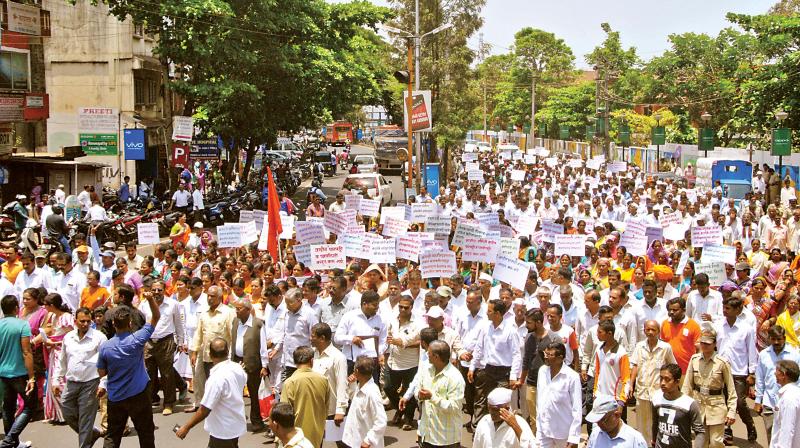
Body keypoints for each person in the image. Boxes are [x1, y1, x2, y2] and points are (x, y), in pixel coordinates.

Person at [96, 283, 161, 448]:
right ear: (130, 323)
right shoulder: (137, 340)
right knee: (145, 432)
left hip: (116, 396)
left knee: (112, 435)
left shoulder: (105, 347)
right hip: (138, 394)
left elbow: (102, 372)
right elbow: (156, 317)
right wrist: (151, 299)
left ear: (113, 325)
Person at [175, 338, 248, 448]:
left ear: (210, 355)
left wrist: (186, 428)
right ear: (228, 352)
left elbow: (204, 409)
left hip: (223, 431)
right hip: (234, 425)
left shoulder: (216, 378)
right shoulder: (237, 368)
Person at [53, 306, 107, 448]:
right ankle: (92, 433)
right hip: (71, 382)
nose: (85, 324)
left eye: (88, 321)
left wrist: (103, 384)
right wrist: (56, 380)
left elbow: (106, 363)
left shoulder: (99, 338)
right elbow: (62, 361)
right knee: (67, 411)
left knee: (85, 418)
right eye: (82, 321)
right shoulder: (68, 337)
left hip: (91, 383)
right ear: (75, 321)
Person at [681, 329, 738, 448]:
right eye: (702, 343)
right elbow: (687, 385)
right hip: (699, 405)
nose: (704, 346)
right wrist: (682, 406)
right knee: (700, 441)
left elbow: (731, 389)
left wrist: (732, 411)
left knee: (716, 442)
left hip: (716, 407)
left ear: (714, 344)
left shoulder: (722, 362)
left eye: (707, 343)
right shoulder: (694, 359)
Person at [468, 298, 522, 422]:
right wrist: (472, 367)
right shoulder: (485, 328)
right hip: (488, 370)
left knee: (501, 404)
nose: (486, 313)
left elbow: (516, 354)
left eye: (489, 311)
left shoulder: (511, 331)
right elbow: (479, 349)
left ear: (498, 313)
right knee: (486, 401)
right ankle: (484, 430)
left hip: (504, 373)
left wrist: (513, 376)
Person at [139, 278, 186, 416]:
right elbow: (141, 324)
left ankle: (169, 403)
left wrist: (181, 341)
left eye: (159, 290)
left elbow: (179, 324)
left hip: (166, 341)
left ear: (164, 290)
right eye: (154, 290)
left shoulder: (173, 304)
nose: (156, 292)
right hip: (148, 341)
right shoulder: (144, 305)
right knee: (149, 373)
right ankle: (150, 400)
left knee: (166, 374)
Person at [189, 286, 234, 413]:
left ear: (220, 297)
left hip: (221, 357)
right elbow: (198, 334)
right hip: (205, 355)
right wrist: (194, 352)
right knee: (200, 380)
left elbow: (232, 335)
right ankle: (201, 406)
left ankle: (222, 408)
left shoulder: (228, 312)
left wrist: (231, 356)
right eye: (208, 295)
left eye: (212, 296)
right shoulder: (204, 313)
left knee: (219, 383)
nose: (209, 298)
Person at [630, 320, 677, 443]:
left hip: (658, 393)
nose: (650, 332)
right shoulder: (639, 346)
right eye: (648, 329)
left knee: (658, 422)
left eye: (653, 330)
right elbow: (635, 365)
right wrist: (631, 384)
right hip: (642, 392)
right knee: (641, 424)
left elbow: (673, 367)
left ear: (658, 332)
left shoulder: (665, 348)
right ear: (644, 330)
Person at [412, 339, 465, 448]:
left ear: (436, 356)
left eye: (429, 353)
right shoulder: (426, 370)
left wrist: (432, 397)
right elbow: (417, 389)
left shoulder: (455, 378)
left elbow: (454, 407)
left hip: (446, 439)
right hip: (427, 435)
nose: (427, 355)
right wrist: (419, 395)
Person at [0, 295, 36, 448]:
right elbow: (26, 352)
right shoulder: (23, 325)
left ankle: (14, 443)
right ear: (16, 308)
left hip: (2, 373)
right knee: (30, 406)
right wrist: (32, 376)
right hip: (19, 374)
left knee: (7, 408)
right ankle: (9, 440)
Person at [754, 325, 800, 445]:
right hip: (769, 402)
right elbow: (760, 378)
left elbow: (798, 379)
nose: (776, 342)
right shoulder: (764, 355)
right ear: (769, 338)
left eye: (779, 339)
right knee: (772, 434)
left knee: (788, 431)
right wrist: (758, 400)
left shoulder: (794, 355)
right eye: (773, 339)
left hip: (789, 401)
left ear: (784, 338)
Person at [280, 346, 331, 448]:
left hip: (296, 437)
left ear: (295, 362)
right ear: (312, 361)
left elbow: (283, 413)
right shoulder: (323, 380)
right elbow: (326, 407)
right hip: (317, 433)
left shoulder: (290, 382)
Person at [229, 299, 267, 431]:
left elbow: (263, 347)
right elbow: (232, 342)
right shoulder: (235, 322)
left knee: (254, 393)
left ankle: (256, 421)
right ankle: (237, 419)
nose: (236, 311)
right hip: (236, 362)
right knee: (235, 393)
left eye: (239, 309)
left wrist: (264, 365)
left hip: (252, 364)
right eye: (236, 308)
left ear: (247, 309)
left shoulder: (258, 324)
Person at [535, 341, 582, 448]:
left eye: (549, 355)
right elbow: (540, 401)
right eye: (545, 354)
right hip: (544, 430)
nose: (545, 357)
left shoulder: (572, 377)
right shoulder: (542, 372)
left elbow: (577, 408)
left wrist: (574, 437)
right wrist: (539, 427)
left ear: (560, 358)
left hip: (563, 433)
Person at [651, 363, 704, 448]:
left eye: (667, 379)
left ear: (677, 382)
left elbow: (699, 432)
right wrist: (654, 441)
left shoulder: (689, 404)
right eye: (661, 378)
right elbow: (655, 423)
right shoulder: (656, 399)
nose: (662, 383)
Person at [342, 355, 387, 448]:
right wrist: (352, 384)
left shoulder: (372, 392)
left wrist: (369, 440)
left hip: (365, 444)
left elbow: (381, 421)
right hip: (354, 441)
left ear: (357, 371)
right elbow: (354, 398)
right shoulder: (361, 386)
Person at [309, 323, 348, 428]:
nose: (310, 338)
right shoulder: (311, 354)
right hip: (314, 409)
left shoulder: (338, 357)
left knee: (342, 443)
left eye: (312, 336)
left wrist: (340, 410)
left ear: (322, 338)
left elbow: (342, 385)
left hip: (332, 410)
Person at [771, 359, 800, 447]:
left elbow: (787, 429)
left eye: (777, 371)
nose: (775, 373)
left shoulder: (789, 398)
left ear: (784, 375)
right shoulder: (794, 393)